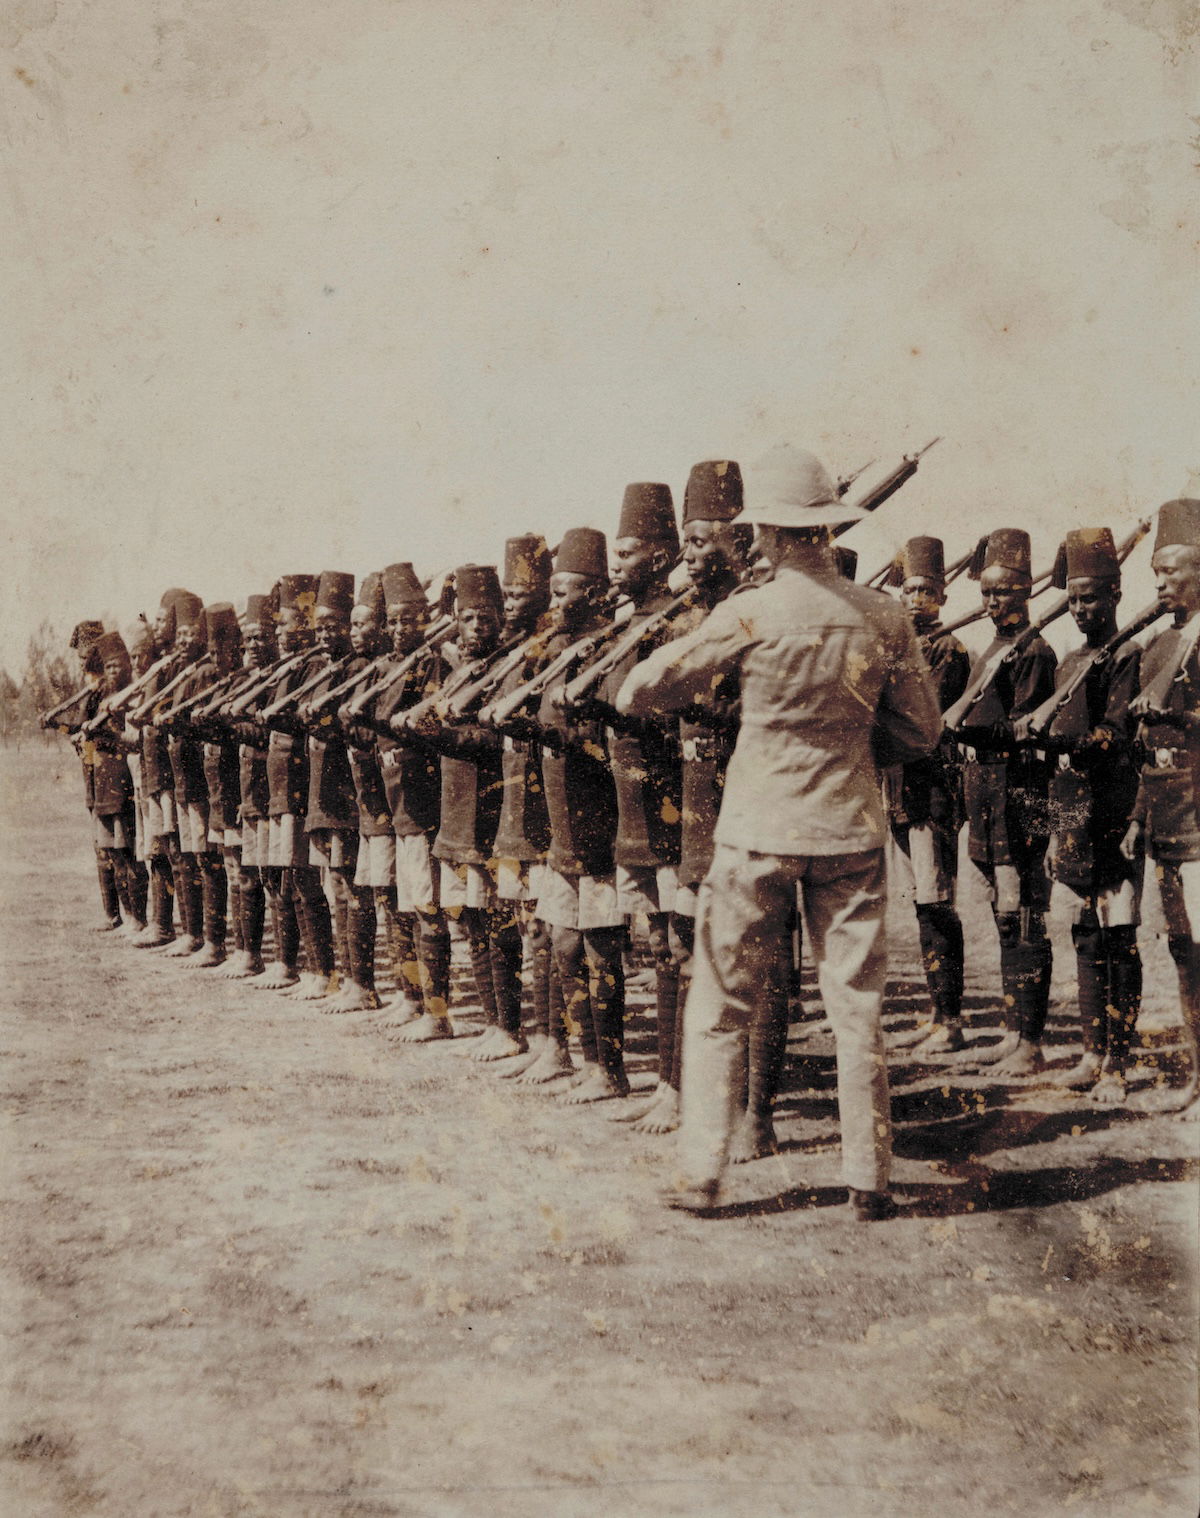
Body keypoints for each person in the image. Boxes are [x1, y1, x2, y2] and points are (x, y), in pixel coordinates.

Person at [617, 444, 941, 1217]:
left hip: (757, 825)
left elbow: (637, 690)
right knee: (856, 1007)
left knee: (721, 1003)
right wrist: (857, 750)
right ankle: (869, 1177)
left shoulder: (750, 610)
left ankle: (702, 1170)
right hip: (851, 829)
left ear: (762, 533)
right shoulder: (885, 614)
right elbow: (924, 732)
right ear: (827, 528)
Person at [1020, 530, 1143, 1103]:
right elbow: (1057, 766)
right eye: (1071, 600)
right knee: (1085, 934)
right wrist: (1051, 827)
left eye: (1090, 598)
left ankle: (1118, 1064)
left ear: (1116, 594)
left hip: (1114, 815)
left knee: (1118, 937)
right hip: (1071, 816)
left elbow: (1113, 738)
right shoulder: (1071, 659)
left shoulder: (1129, 656)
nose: (1079, 609)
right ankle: (1092, 1052)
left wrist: (1058, 742)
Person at [657, 460, 757, 1144]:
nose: (690, 556)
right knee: (688, 955)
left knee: (749, 962)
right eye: (686, 543)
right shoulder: (684, 618)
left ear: (740, 541)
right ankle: (685, 1093)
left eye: (702, 542)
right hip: (692, 810)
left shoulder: (758, 613)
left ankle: (754, 1111)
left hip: (748, 806)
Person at [946, 530, 1058, 1075]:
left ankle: (1032, 1043)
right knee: (1000, 916)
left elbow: (1026, 730)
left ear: (1025, 592)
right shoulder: (990, 647)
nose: (991, 602)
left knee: (1025, 915)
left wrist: (969, 732)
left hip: (1019, 796)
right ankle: (1013, 1031)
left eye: (1003, 593)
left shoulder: (1035, 650)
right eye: (986, 592)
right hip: (984, 797)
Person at [588, 483, 684, 1114]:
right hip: (631, 814)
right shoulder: (624, 630)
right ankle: (667, 1084)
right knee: (656, 945)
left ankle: (679, 1087)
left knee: (679, 949)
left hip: (675, 811)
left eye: (627, 554)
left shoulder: (680, 623)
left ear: (659, 556)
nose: (616, 566)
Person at [526, 528, 628, 1100]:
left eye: (571, 591)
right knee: (563, 944)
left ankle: (609, 1069)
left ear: (596, 592)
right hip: (559, 821)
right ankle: (575, 1056)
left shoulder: (607, 647)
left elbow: (603, 727)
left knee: (598, 947)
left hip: (600, 822)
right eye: (556, 591)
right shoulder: (554, 650)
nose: (560, 601)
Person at [402, 564, 507, 1043]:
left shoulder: (510, 666)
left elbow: (493, 737)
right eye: (466, 618)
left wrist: (445, 734)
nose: (476, 626)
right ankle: (488, 1023)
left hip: (491, 810)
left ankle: (504, 1026)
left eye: (485, 616)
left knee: (495, 923)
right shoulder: (454, 671)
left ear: (501, 618)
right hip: (454, 812)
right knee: (467, 920)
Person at [1121, 499, 1200, 1118]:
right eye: (1156, 572)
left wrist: (1175, 715)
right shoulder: (1158, 647)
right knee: (1183, 952)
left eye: (1172, 570)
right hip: (1169, 827)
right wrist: (1138, 819)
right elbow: (1151, 749)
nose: (1161, 583)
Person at [882, 537, 971, 1053]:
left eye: (927, 591)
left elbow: (921, 720)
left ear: (942, 595)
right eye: (910, 590)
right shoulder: (902, 648)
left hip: (930, 794)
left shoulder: (948, 649)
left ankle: (952, 1020)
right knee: (922, 904)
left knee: (936, 904)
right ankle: (938, 1014)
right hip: (899, 793)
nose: (917, 599)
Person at [362, 563, 451, 1041]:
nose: (400, 629)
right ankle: (408, 995)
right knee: (393, 900)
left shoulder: (436, 664)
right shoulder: (381, 667)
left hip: (420, 797)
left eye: (410, 619)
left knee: (425, 906)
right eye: (393, 620)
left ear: (425, 619)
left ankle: (437, 1013)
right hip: (387, 798)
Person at [87, 631, 148, 934]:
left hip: (125, 781)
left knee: (129, 853)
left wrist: (110, 736)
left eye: (118, 666)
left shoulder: (135, 697)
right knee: (112, 852)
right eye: (108, 667)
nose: (114, 672)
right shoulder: (99, 699)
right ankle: (124, 914)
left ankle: (138, 917)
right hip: (103, 783)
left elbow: (135, 742)